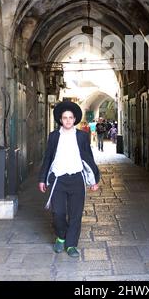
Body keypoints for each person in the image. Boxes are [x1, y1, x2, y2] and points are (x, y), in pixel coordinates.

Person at [38, 101, 99, 257]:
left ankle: (71, 245)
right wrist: (42, 178)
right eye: (64, 118)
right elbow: (48, 158)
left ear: (74, 119)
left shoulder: (82, 136)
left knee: (75, 214)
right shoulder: (53, 136)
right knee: (58, 213)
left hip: (77, 179)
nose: (67, 120)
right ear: (60, 119)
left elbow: (89, 158)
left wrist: (94, 180)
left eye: (70, 117)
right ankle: (61, 236)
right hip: (58, 179)